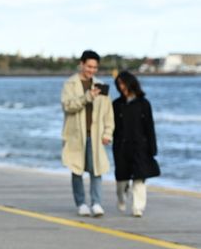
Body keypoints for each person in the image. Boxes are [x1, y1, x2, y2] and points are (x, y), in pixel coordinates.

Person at [61, 50, 114, 217]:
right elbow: (68, 106)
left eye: (95, 67)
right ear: (82, 64)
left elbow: (108, 113)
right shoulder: (69, 84)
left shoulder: (101, 86)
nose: (91, 70)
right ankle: (81, 203)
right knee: (76, 169)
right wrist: (87, 97)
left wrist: (108, 133)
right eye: (89, 66)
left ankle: (97, 203)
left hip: (96, 135)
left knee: (96, 169)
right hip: (75, 135)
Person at [112, 71, 160, 217]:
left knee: (139, 178)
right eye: (118, 84)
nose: (121, 86)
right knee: (122, 180)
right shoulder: (116, 104)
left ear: (131, 83)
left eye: (123, 83)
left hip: (140, 146)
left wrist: (152, 148)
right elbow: (112, 126)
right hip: (121, 146)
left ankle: (138, 208)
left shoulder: (144, 104)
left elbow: (149, 127)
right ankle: (121, 198)